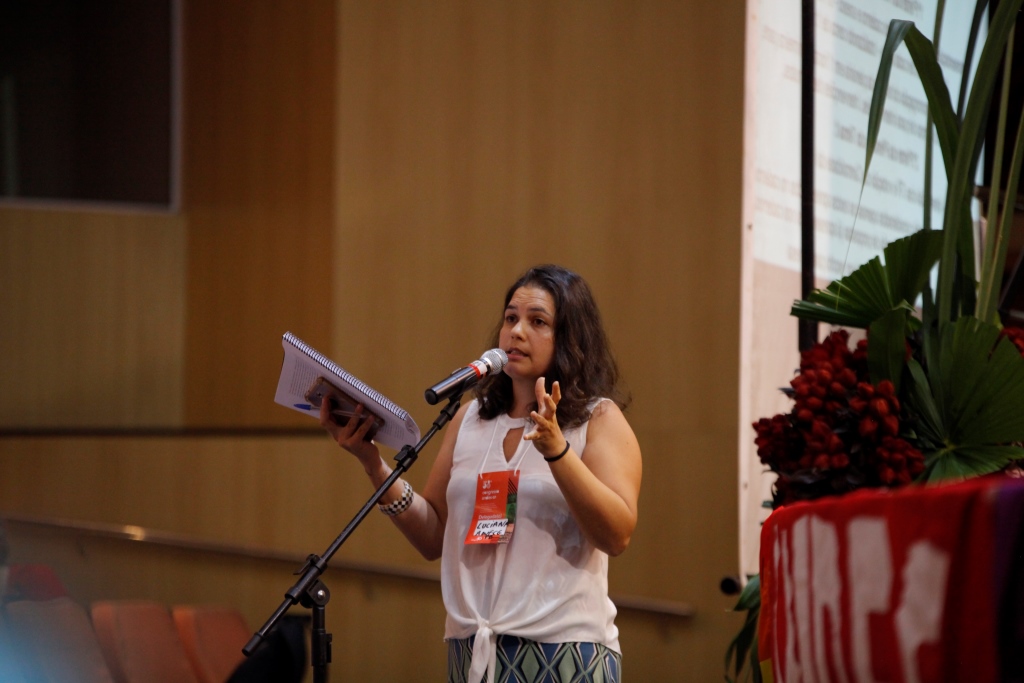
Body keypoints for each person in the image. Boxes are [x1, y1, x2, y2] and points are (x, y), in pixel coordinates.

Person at [321, 264, 642, 683]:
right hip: (472, 651)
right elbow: (433, 535)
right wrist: (373, 464)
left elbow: (617, 535)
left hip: (564, 651)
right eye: (510, 318)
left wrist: (557, 452)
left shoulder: (597, 419)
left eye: (537, 321)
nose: (516, 332)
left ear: (569, 339)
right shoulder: (470, 419)